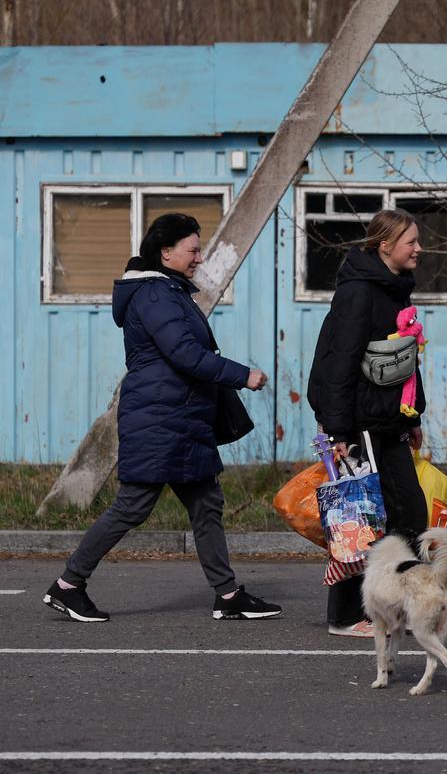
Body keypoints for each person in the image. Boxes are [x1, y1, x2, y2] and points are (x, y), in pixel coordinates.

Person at [43, 213, 278, 623]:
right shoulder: (155, 295)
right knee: (132, 506)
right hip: (161, 419)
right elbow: (185, 354)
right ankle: (68, 586)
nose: (200, 258)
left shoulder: (168, 291)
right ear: (166, 252)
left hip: (179, 418)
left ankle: (227, 595)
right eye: (193, 250)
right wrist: (244, 376)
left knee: (206, 503)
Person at [307, 209, 428, 637]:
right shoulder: (359, 292)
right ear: (384, 246)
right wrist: (337, 432)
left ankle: (398, 606)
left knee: (406, 511)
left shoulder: (395, 289)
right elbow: (337, 363)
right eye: (410, 241)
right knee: (361, 518)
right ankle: (345, 614)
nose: (419, 248)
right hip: (359, 423)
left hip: (388, 419)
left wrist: (415, 414)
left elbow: (407, 360)